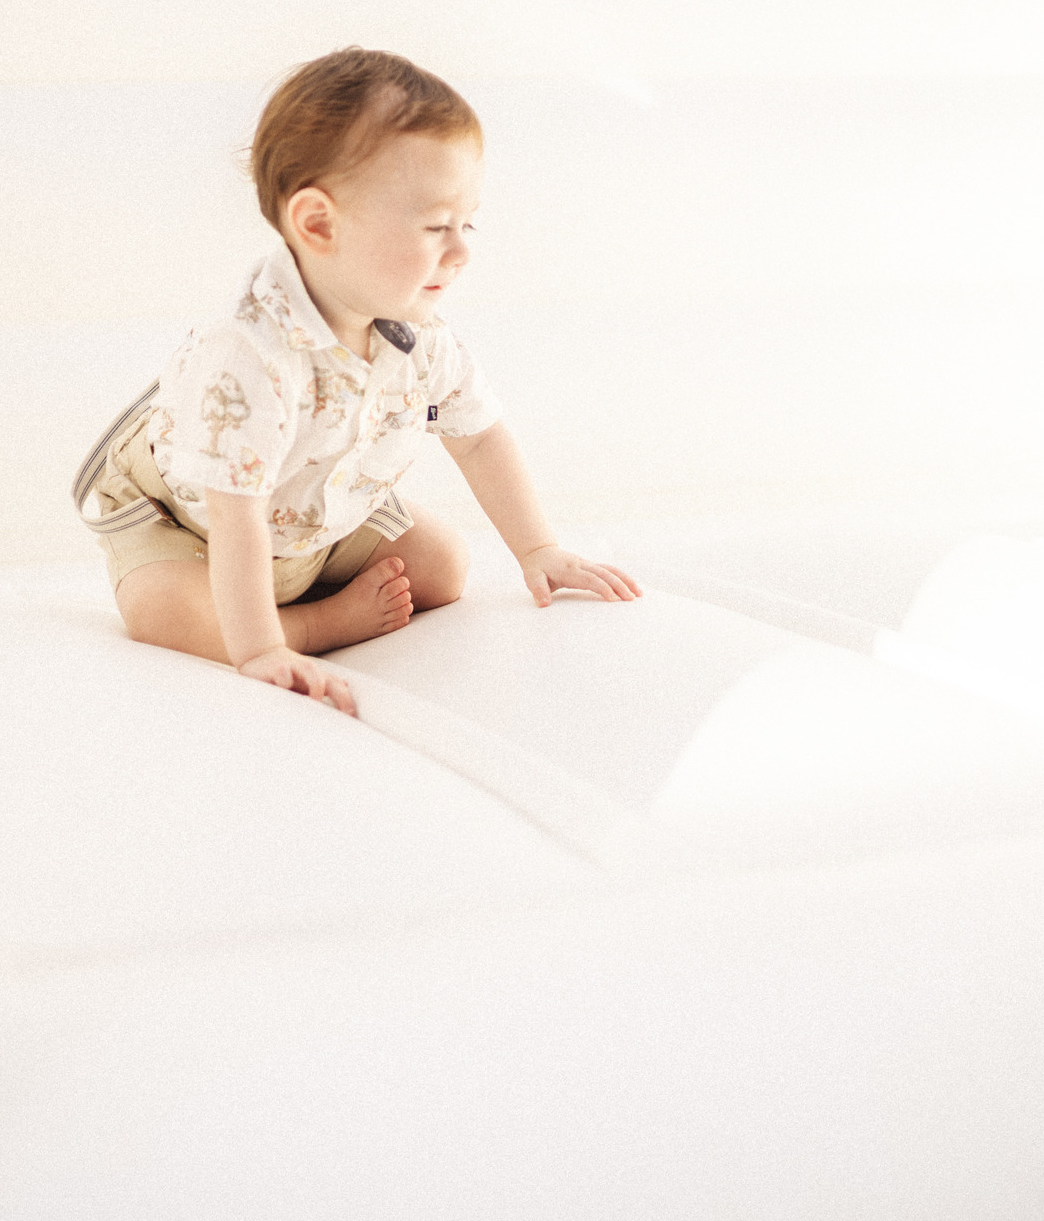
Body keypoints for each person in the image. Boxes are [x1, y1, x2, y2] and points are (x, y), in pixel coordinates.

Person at [77, 48, 641, 719]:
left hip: (316, 517)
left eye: (466, 224)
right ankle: (310, 625)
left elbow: (479, 438)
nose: (462, 251)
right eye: (436, 227)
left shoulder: (419, 339)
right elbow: (234, 516)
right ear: (319, 224)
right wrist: (262, 649)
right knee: (161, 611)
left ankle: (300, 597)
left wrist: (539, 549)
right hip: (196, 526)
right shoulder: (249, 358)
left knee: (443, 565)